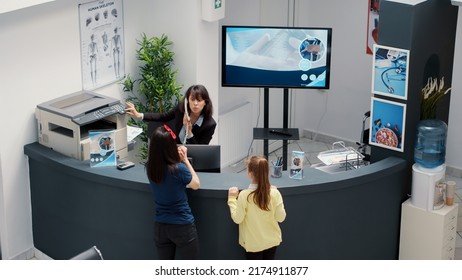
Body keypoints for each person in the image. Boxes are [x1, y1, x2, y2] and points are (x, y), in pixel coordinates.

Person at [146, 124, 200, 259]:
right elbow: (196, 184)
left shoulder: (150, 168)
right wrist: (185, 161)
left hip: (160, 227)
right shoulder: (178, 169)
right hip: (182, 226)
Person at [227, 155, 286, 260]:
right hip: (272, 242)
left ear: (250, 174)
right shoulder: (275, 193)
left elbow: (237, 219)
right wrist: (275, 193)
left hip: (253, 244)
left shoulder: (244, 195)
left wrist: (232, 199)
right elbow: (281, 218)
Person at [125, 84, 216, 144]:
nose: (195, 104)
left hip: (192, 159)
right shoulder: (181, 109)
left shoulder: (209, 124)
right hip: (174, 152)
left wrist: (189, 132)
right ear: (187, 100)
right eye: (192, 99)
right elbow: (164, 116)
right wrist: (139, 115)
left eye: (199, 100)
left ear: (205, 102)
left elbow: (200, 151)